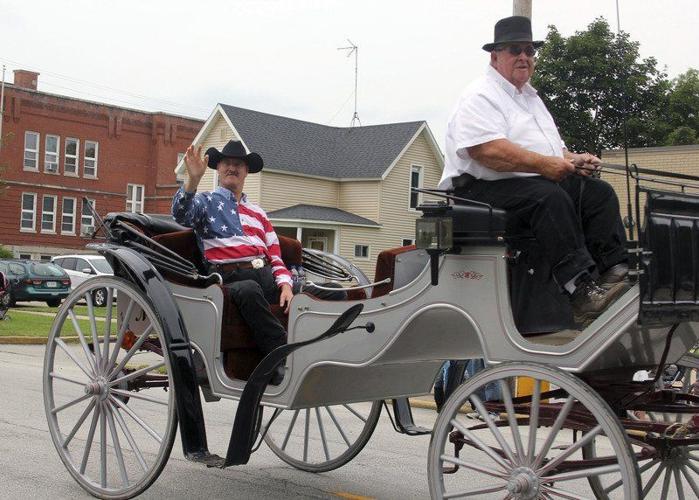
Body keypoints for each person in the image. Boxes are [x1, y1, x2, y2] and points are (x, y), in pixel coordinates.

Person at [439, 16, 629, 324]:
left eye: (530, 50)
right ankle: (580, 291)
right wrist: (545, 165)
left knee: (597, 193)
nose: (524, 57)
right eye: (515, 50)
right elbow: (486, 151)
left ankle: (615, 276)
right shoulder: (480, 95)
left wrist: (572, 158)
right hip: (476, 190)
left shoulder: (530, 97)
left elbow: (550, 150)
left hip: (522, 185)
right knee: (547, 197)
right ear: (495, 56)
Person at [172, 140, 293, 384]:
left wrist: (287, 285)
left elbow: (275, 254)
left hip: (266, 276)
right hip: (229, 279)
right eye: (227, 163)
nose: (232, 167)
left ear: (246, 171)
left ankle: (332, 352)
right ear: (218, 168)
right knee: (249, 290)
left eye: (239, 164)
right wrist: (192, 181)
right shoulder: (205, 203)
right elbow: (181, 214)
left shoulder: (258, 213)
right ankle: (283, 357)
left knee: (323, 294)